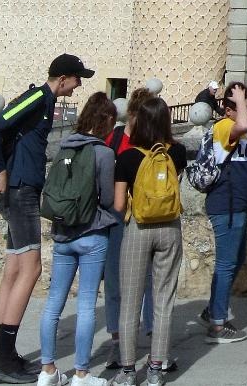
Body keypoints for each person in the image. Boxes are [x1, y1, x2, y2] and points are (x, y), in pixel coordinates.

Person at [0, 53, 92, 384]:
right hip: (21, 189)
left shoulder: (44, 101)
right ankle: (3, 359)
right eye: (77, 79)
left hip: (20, 188)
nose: (79, 85)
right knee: (31, 268)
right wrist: (0, 171)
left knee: (14, 268)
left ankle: (5, 353)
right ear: (63, 79)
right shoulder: (37, 97)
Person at [37, 93, 119, 386]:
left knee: (53, 303)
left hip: (62, 233)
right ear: (107, 120)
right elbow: (108, 199)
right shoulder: (104, 153)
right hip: (92, 234)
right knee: (86, 305)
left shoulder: (64, 146)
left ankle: (47, 371)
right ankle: (82, 374)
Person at [111, 98, 189, 386]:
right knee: (164, 299)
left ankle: (129, 371)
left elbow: (119, 205)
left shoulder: (129, 157)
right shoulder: (177, 152)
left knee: (130, 301)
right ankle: (156, 369)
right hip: (169, 227)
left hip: (138, 228)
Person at [101, 88, 155, 368]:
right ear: (132, 114)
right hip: (117, 217)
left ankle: (154, 337)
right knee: (114, 280)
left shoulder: (154, 142)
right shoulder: (115, 138)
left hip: (146, 217)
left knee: (150, 279)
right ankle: (118, 340)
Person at [200, 83, 247, 344]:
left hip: (236, 206)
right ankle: (218, 325)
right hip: (226, 206)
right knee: (226, 263)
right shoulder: (223, 127)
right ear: (228, 109)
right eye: (245, 107)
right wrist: (240, 100)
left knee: (235, 259)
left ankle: (214, 309)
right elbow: (242, 125)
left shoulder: (236, 135)